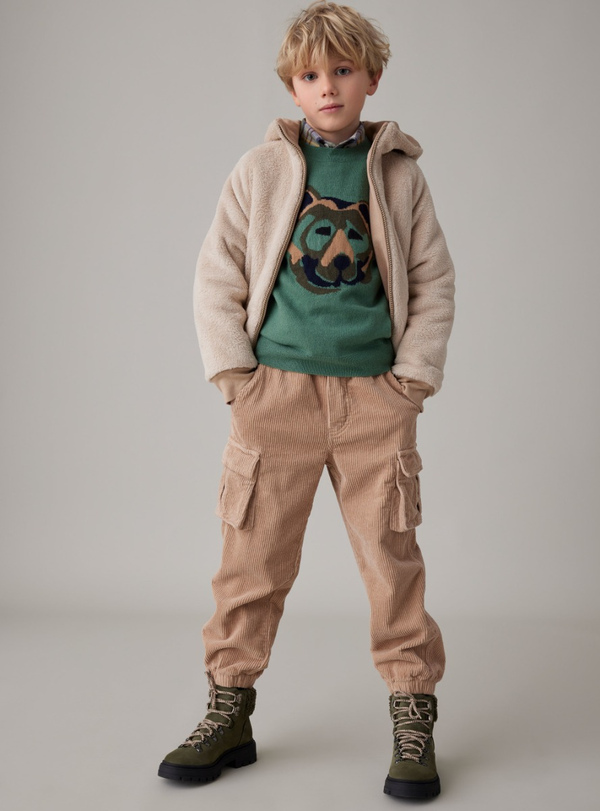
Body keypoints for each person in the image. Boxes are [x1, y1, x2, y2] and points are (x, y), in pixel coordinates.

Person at [158, 1, 455, 800]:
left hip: (375, 402)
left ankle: (413, 712)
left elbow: (432, 280)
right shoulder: (259, 172)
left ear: (372, 78)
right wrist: (236, 378)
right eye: (312, 74)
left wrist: (412, 381)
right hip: (275, 399)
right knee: (249, 562)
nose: (328, 87)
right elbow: (216, 274)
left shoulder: (399, 175)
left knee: (392, 562)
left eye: (343, 71)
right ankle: (229, 709)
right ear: (292, 87)